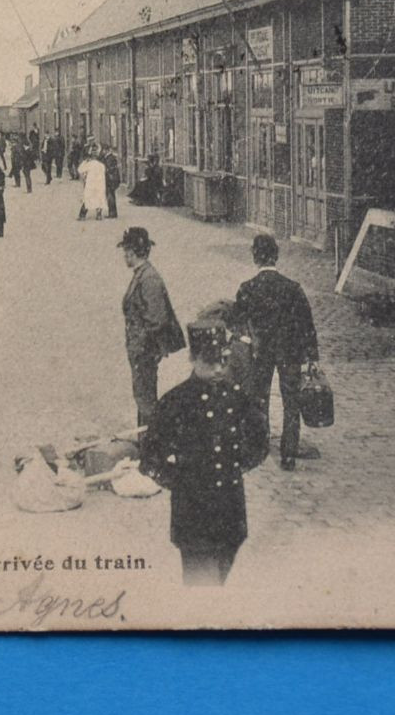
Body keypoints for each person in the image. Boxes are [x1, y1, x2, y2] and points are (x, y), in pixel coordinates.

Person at [139, 318, 267, 585]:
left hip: (230, 509)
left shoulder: (236, 396)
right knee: (201, 585)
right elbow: (150, 456)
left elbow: (259, 438)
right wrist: (180, 480)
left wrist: (238, 464)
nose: (220, 368)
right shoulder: (176, 401)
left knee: (222, 576)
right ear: (193, 358)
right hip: (193, 513)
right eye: (211, 361)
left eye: (223, 360)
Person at [229, 233, 322, 471]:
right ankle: (288, 455)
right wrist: (312, 358)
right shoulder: (292, 288)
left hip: (261, 353)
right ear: (276, 256)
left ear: (255, 258)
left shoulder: (247, 288)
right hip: (290, 353)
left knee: (260, 399)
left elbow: (235, 322)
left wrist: (247, 338)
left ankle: (260, 445)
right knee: (291, 403)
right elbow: (306, 325)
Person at [119, 227, 185, 428]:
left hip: (145, 351)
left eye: (125, 251)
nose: (124, 256)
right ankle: (145, 438)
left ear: (132, 252)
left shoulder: (149, 279)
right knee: (142, 396)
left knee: (146, 399)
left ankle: (150, 443)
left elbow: (157, 319)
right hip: (141, 350)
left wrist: (142, 344)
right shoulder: (143, 274)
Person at [77, 148, 107, 221]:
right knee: (99, 199)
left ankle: (82, 215)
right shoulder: (101, 165)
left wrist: (84, 162)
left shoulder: (89, 164)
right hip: (100, 184)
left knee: (88, 199)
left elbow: (80, 170)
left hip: (91, 185)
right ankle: (99, 215)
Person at [103, 147, 122, 219]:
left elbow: (109, 169)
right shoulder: (111, 157)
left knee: (110, 196)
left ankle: (112, 213)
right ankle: (113, 213)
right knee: (112, 196)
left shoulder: (109, 158)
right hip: (113, 179)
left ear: (107, 150)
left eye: (104, 150)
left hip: (110, 180)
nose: (103, 151)